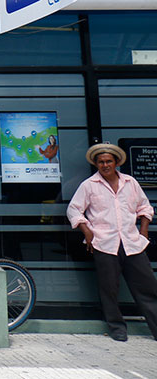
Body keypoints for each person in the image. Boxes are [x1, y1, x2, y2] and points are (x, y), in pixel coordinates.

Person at [67, 141, 157, 342]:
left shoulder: (130, 183)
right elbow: (73, 209)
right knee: (109, 289)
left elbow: (145, 207)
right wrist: (87, 231)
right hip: (105, 244)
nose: (105, 165)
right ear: (96, 164)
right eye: (101, 162)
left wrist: (143, 231)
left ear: (116, 163)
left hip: (132, 243)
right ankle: (117, 328)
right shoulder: (89, 185)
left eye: (108, 161)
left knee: (148, 288)